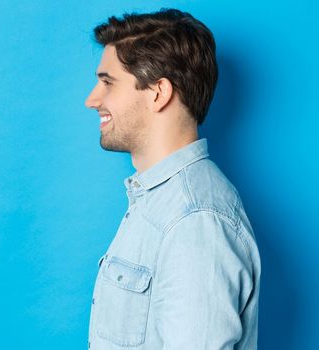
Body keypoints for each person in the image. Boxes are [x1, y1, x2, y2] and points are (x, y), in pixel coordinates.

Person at [83, 8, 260, 349]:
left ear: (158, 93)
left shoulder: (195, 221)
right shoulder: (157, 202)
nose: (92, 100)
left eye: (108, 82)